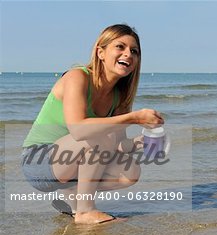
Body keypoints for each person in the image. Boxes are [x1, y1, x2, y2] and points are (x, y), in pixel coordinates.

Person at [21, 24, 164, 224]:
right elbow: (79, 130)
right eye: (120, 47)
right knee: (96, 135)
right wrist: (132, 118)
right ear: (101, 52)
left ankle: (73, 196)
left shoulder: (118, 97)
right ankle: (85, 211)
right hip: (38, 161)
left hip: (69, 162)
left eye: (134, 51)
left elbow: (118, 145)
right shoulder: (77, 77)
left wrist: (140, 142)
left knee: (130, 171)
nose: (128, 54)